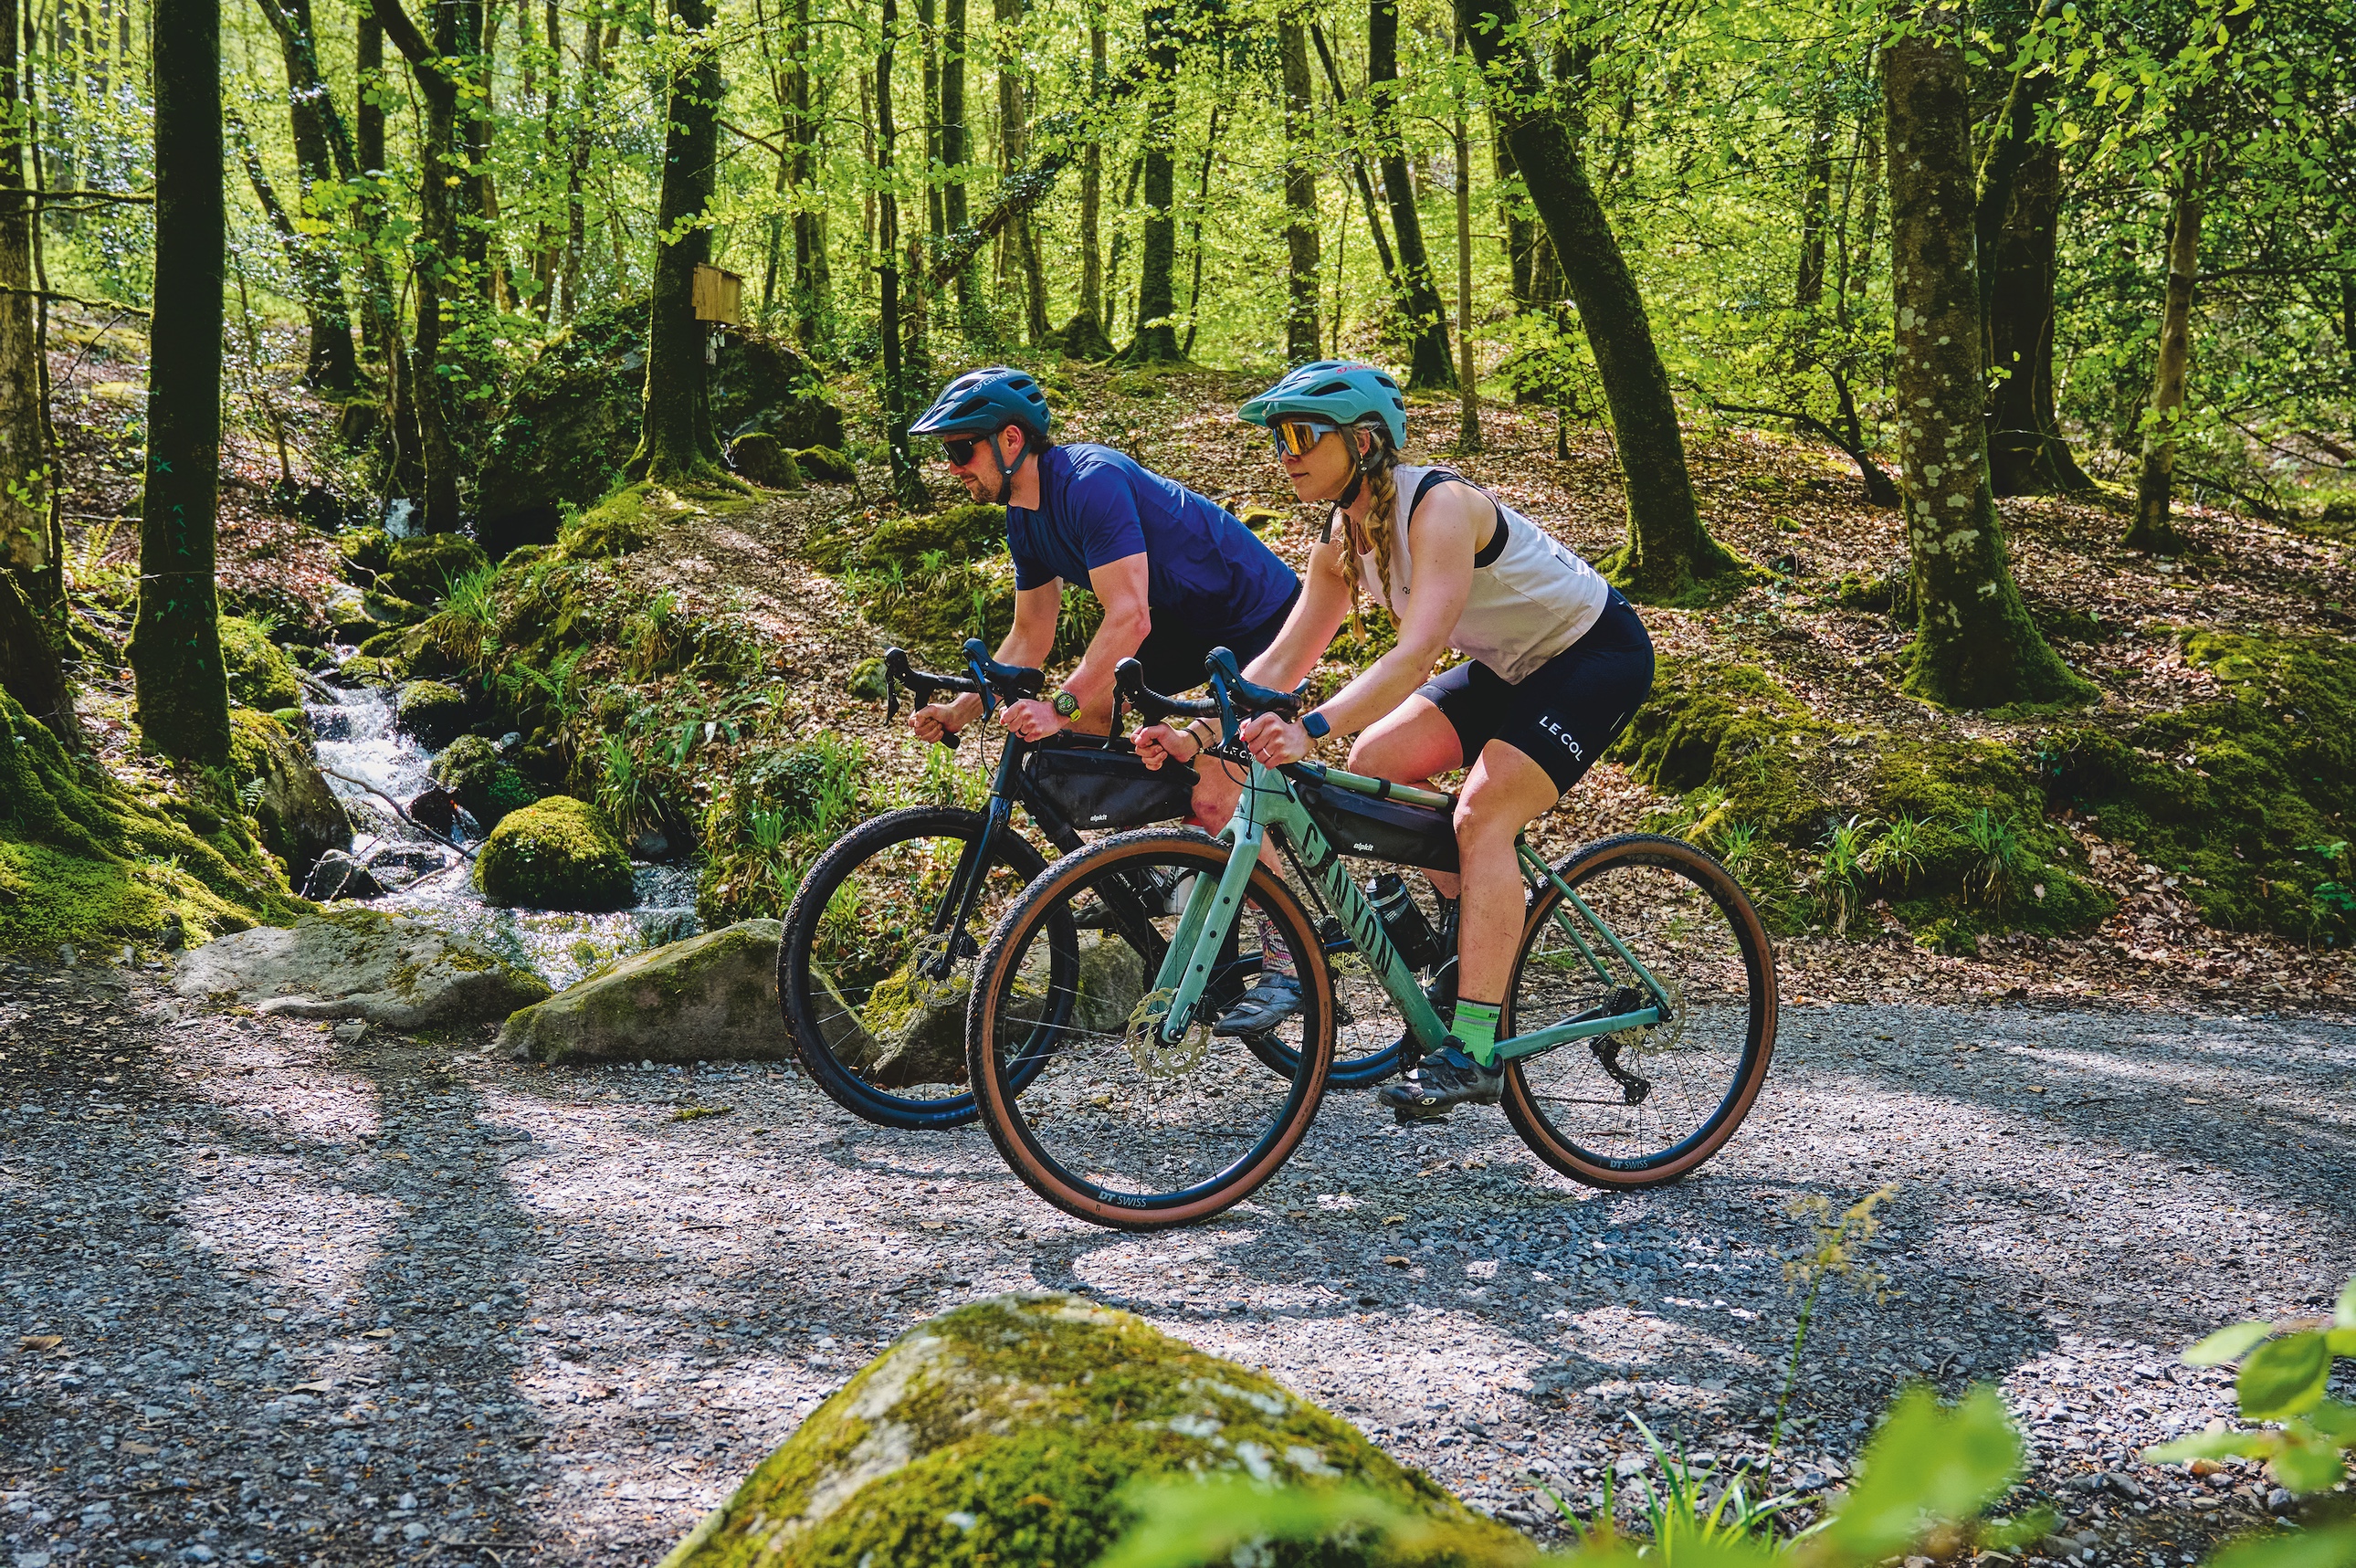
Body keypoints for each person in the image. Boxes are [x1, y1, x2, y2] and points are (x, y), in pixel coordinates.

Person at [1136, 361, 1656, 1114]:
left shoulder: (1439, 508)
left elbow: (1416, 653)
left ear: (1367, 441)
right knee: (1374, 761)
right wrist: (1198, 734)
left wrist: (1308, 727)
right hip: (1506, 665)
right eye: (1278, 436)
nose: (1285, 451)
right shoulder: (1343, 536)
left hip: (1593, 655)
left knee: (1483, 815)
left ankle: (1476, 1047)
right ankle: (1464, 927)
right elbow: (1280, 663)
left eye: (1301, 434)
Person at [901, 366, 1301, 830]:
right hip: (1187, 622)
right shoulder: (1023, 517)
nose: (952, 468)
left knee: (1211, 794)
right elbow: (1030, 636)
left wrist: (1055, 708)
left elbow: (1130, 618)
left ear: (1010, 439)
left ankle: (1269, 898)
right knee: (1087, 714)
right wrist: (959, 712)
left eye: (960, 449)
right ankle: (1131, 869)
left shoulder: (1090, 483)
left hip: (1262, 618)